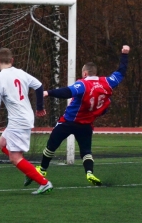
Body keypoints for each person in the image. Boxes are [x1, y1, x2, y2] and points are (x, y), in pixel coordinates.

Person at [24, 45, 130, 187]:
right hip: (86, 124)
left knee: (51, 145)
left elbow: (67, 92)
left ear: (85, 73)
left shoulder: (83, 84)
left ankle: (42, 170)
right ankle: (89, 173)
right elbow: (121, 72)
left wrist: (48, 93)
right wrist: (124, 54)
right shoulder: (108, 82)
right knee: (86, 151)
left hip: (69, 121)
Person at [0, 48, 53, 195]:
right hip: (23, 117)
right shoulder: (20, 73)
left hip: (18, 121)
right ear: (12, 61)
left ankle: (44, 182)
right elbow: (39, 86)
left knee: (15, 158)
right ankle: (29, 171)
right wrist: (40, 107)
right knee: (2, 143)